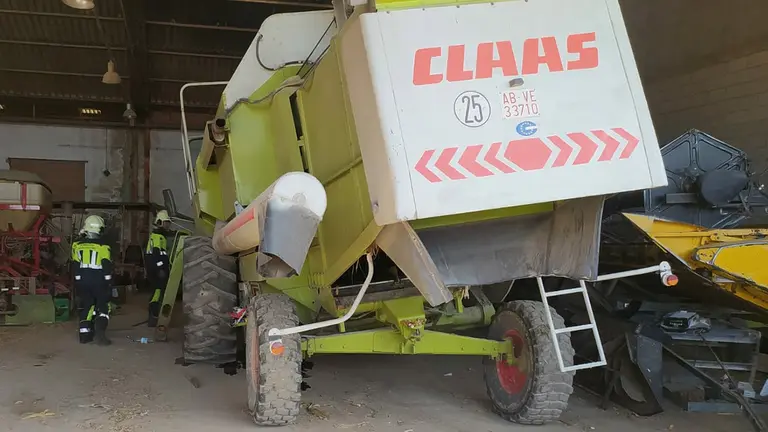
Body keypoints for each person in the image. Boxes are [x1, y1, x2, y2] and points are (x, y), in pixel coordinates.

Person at [71, 215, 114, 346]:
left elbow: (75, 264)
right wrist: (109, 282)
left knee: (87, 305)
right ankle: (100, 334)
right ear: (100, 229)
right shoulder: (104, 247)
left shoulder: (76, 245)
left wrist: (78, 280)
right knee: (103, 306)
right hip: (99, 281)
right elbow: (106, 266)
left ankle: (84, 335)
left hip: (82, 281)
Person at [146, 210, 171, 327]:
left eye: (168, 223)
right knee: (157, 291)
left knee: (158, 291)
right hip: (156, 270)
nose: (167, 226)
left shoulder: (160, 236)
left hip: (156, 268)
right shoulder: (157, 237)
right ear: (160, 222)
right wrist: (160, 268)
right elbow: (156, 254)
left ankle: (154, 315)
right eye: (165, 223)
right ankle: (153, 315)